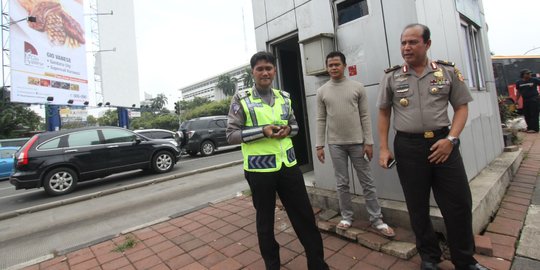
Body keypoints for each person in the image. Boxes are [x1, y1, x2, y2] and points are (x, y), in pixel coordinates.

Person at [376, 24, 488, 270]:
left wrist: (451, 139)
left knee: (458, 203)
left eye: (413, 42)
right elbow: (384, 113)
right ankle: (429, 257)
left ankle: (464, 260)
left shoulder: (447, 72)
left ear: (427, 44)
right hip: (408, 146)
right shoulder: (392, 76)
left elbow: (461, 107)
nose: (406, 47)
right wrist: (384, 148)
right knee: (417, 205)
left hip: (443, 144)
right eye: (403, 42)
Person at [226, 51, 329, 270]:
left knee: (305, 217)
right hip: (259, 170)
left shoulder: (285, 97)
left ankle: (318, 264)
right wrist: (262, 131)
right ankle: (272, 266)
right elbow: (231, 135)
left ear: (274, 71)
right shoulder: (241, 99)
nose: (265, 72)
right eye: (260, 69)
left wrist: (287, 130)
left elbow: (296, 127)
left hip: (288, 166)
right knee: (266, 223)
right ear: (252, 72)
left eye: (268, 68)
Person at [315, 51, 395, 237]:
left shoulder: (357, 87)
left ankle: (377, 220)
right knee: (342, 183)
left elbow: (365, 116)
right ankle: (346, 217)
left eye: (337, 64)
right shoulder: (322, 91)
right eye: (330, 65)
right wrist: (319, 145)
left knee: (367, 181)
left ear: (344, 66)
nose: (333, 68)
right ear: (327, 68)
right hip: (335, 144)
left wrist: (369, 142)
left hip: (358, 143)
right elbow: (320, 119)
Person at [515, 69, 540, 133]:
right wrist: (516, 100)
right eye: (527, 73)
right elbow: (518, 92)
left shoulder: (534, 80)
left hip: (534, 99)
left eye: (530, 73)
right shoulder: (519, 82)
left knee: (534, 114)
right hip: (525, 100)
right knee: (526, 114)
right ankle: (529, 128)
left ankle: (535, 129)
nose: (529, 75)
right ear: (523, 75)